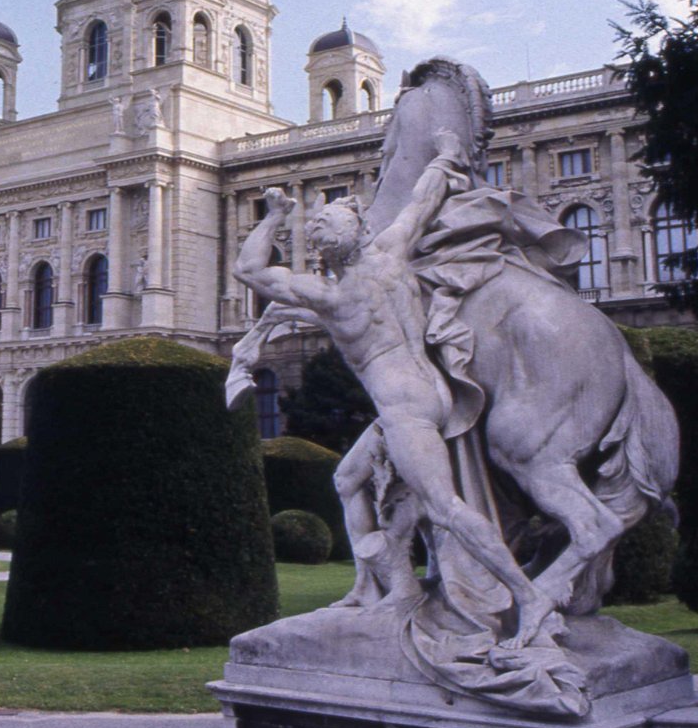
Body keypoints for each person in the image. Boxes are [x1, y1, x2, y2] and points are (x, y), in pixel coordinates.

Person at [234, 128, 555, 649]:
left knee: (447, 508)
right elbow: (424, 199)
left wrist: (273, 216)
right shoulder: (389, 252)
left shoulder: (330, 296)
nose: (316, 227)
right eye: (317, 224)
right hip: (431, 392)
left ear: (336, 240)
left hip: (405, 409)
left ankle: (528, 595)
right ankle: (372, 583)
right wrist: (447, 152)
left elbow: (249, 268)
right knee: (347, 478)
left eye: (322, 224)